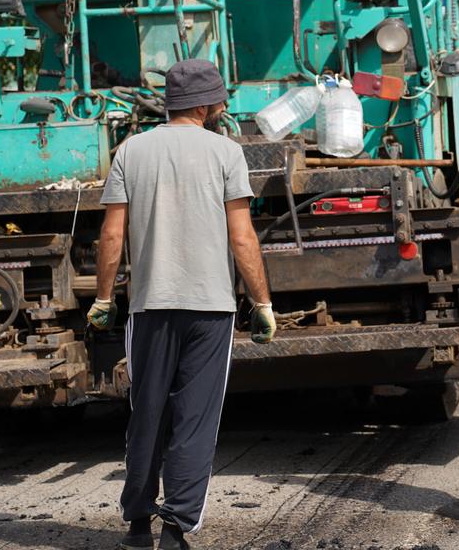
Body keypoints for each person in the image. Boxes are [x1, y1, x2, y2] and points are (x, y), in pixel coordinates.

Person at [87, 59, 276, 550]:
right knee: (195, 417)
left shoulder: (131, 151)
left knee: (146, 411)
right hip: (210, 308)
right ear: (208, 105)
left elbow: (112, 234)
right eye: (221, 100)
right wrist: (262, 303)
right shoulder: (226, 153)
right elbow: (242, 237)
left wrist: (104, 299)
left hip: (149, 307)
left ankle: (136, 525)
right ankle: (176, 529)